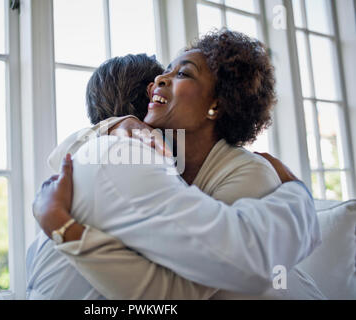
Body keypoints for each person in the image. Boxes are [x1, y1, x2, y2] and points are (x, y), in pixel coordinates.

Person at [27, 30, 323, 300]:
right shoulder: (139, 156)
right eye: (165, 72)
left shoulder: (249, 173)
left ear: (216, 105)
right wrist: (114, 125)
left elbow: (189, 288)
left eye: (183, 73)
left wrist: (62, 226)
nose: (160, 81)